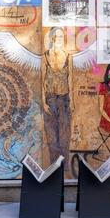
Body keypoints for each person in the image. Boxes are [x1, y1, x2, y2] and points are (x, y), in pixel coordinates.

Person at [42, 27, 73, 171]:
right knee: (51, 134)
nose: (59, 38)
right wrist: (43, 101)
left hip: (64, 98)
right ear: (52, 38)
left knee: (65, 133)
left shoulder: (68, 56)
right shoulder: (45, 56)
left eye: (61, 36)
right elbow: (42, 80)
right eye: (57, 35)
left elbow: (70, 78)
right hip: (50, 98)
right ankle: (54, 165)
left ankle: (64, 166)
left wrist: (72, 101)